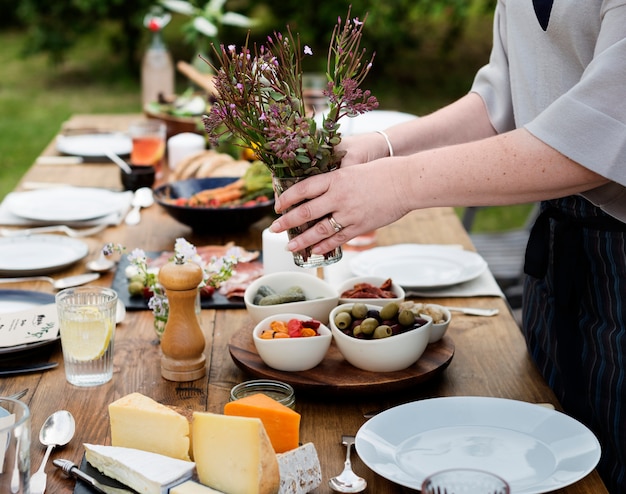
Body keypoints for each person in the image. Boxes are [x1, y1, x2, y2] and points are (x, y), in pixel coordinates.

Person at [269, 2, 626, 491]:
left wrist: (399, 185)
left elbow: (603, 130)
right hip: (558, 257)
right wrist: (384, 147)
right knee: (553, 452)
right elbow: (502, 102)